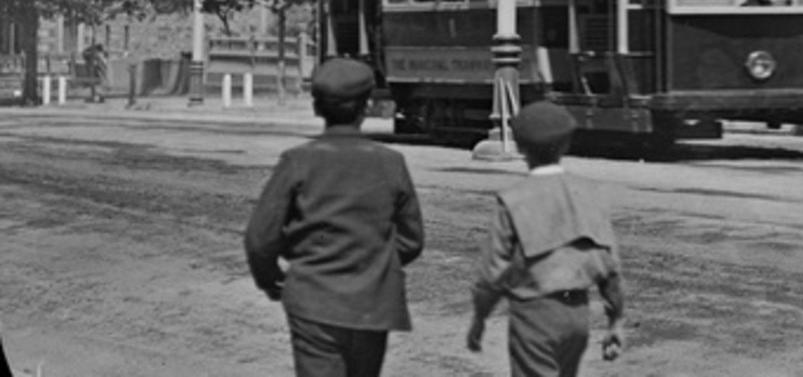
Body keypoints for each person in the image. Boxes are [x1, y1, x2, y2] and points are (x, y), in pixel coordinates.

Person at [244, 57, 424, 377]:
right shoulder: (391, 162)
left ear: (316, 107)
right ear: (367, 106)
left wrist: (271, 279)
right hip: (372, 303)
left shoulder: (297, 161)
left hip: (313, 300)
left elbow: (261, 238)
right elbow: (412, 240)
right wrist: (370, 261)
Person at [467, 100, 626, 376]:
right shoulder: (590, 193)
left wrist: (479, 318)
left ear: (519, 147)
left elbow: (493, 272)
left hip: (534, 315)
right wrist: (616, 322)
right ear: (566, 145)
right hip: (577, 314)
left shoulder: (514, 200)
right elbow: (610, 267)